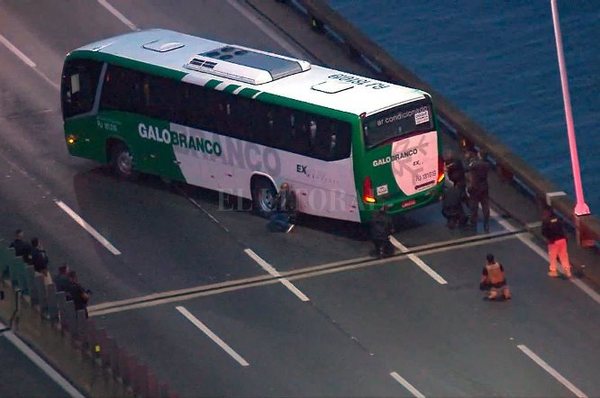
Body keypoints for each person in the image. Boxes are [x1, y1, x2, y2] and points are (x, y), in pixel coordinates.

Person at [541, 206, 572, 278]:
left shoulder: (546, 221)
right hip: (562, 239)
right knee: (563, 255)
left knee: (553, 256)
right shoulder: (558, 218)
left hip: (553, 241)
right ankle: (567, 271)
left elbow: (544, 232)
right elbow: (562, 227)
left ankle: (553, 270)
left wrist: (548, 238)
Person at [465, 150, 491, 232]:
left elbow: (467, 168)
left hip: (475, 188)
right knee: (485, 205)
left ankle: (473, 222)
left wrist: (471, 160)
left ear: (480, 155)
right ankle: (486, 222)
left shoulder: (475, 164)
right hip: (484, 187)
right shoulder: (487, 165)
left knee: (474, 206)